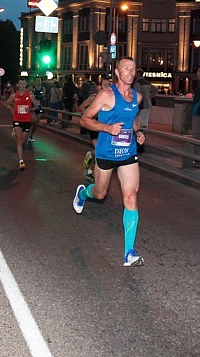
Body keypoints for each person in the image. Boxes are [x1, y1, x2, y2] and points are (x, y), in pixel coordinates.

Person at [73, 57, 147, 267]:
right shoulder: (106, 95)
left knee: (131, 197)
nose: (130, 72)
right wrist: (107, 128)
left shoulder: (137, 97)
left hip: (128, 154)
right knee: (100, 193)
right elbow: (84, 119)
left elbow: (132, 118)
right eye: (126, 68)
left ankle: (129, 253)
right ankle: (83, 193)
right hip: (106, 154)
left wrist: (138, 132)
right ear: (117, 72)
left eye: (133, 69)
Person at [79, 76, 111, 182]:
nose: (107, 86)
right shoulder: (94, 97)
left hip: (106, 128)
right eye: (104, 85)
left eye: (108, 84)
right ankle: (90, 171)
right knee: (99, 150)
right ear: (100, 86)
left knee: (100, 151)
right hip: (95, 127)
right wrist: (90, 117)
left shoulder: (112, 98)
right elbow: (81, 107)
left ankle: (90, 154)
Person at [5, 77, 39, 170]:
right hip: (17, 119)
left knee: (23, 141)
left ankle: (15, 133)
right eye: (20, 83)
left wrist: (30, 109)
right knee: (19, 141)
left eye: (24, 83)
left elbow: (36, 106)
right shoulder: (14, 95)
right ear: (17, 84)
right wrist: (11, 109)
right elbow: (6, 103)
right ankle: (21, 161)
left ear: (26, 84)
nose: (22, 85)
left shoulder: (30, 95)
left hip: (27, 120)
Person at [27, 77, 46, 143]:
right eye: (37, 81)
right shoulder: (31, 88)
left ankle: (31, 135)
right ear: (34, 82)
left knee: (36, 123)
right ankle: (26, 132)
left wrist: (43, 97)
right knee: (32, 121)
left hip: (39, 106)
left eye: (39, 81)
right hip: (32, 107)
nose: (38, 82)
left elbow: (43, 98)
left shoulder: (43, 88)